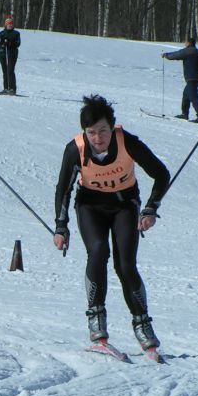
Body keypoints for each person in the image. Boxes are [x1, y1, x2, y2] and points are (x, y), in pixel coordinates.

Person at [53, 95, 170, 355]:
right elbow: (63, 188)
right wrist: (61, 226)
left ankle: (143, 325)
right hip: (90, 206)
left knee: (125, 264)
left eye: (103, 131)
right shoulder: (76, 149)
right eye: (91, 132)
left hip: (124, 205)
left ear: (112, 127)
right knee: (97, 251)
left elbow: (161, 174)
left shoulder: (127, 142)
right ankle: (97, 322)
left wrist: (151, 208)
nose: (98, 138)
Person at [162, 36, 198, 123]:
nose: (185, 44)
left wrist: (166, 55)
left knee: (193, 96)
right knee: (186, 94)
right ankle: (184, 114)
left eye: (185, 42)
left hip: (191, 78)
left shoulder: (188, 51)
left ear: (188, 43)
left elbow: (176, 55)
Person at [0, 15, 21, 95]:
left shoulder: (16, 33)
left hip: (11, 54)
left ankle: (12, 88)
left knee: (10, 71)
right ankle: (6, 88)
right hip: (2, 54)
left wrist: (9, 43)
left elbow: (18, 43)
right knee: (5, 71)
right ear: (5, 24)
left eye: (11, 23)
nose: (10, 25)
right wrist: (1, 40)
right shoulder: (1, 33)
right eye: (8, 23)